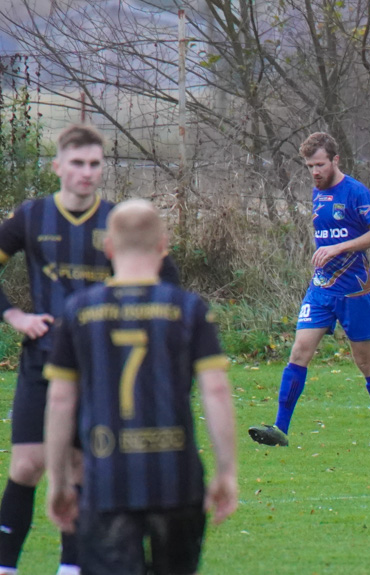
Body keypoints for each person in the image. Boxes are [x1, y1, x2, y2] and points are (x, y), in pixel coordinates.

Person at [0, 124, 180, 575]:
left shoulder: (119, 222)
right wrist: (16, 316)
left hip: (100, 366)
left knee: (82, 466)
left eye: (95, 164)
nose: (86, 173)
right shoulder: (31, 216)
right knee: (27, 464)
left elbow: (168, 282)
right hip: (43, 360)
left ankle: (71, 567)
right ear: (58, 166)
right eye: (77, 163)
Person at [43, 199, 237, 574]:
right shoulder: (188, 308)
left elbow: (61, 399)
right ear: (163, 246)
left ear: (108, 248)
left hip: (107, 479)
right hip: (176, 479)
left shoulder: (78, 311)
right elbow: (216, 391)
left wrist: (60, 480)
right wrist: (225, 472)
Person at [248, 133, 370, 448]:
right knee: (299, 351)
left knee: (365, 361)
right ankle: (280, 429)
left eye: (320, 164)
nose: (315, 171)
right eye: (309, 166)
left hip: (355, 291)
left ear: (335, 160)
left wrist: (338, 248)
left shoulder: (356, 192)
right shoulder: (318, 193)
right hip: (320, 290)